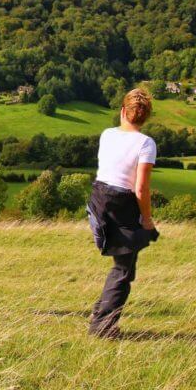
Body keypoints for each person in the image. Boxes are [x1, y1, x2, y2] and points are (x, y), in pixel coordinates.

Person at [87, 88, 160, 338]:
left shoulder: (107, 135)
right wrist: (147, 220)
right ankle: (102, 327)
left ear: (122, 111)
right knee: (123, 269)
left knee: (122, 265)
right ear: (146, 117)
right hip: (122, 204)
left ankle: (99, 315)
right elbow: (141, 188)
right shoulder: (146, 144)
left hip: (98, 200)